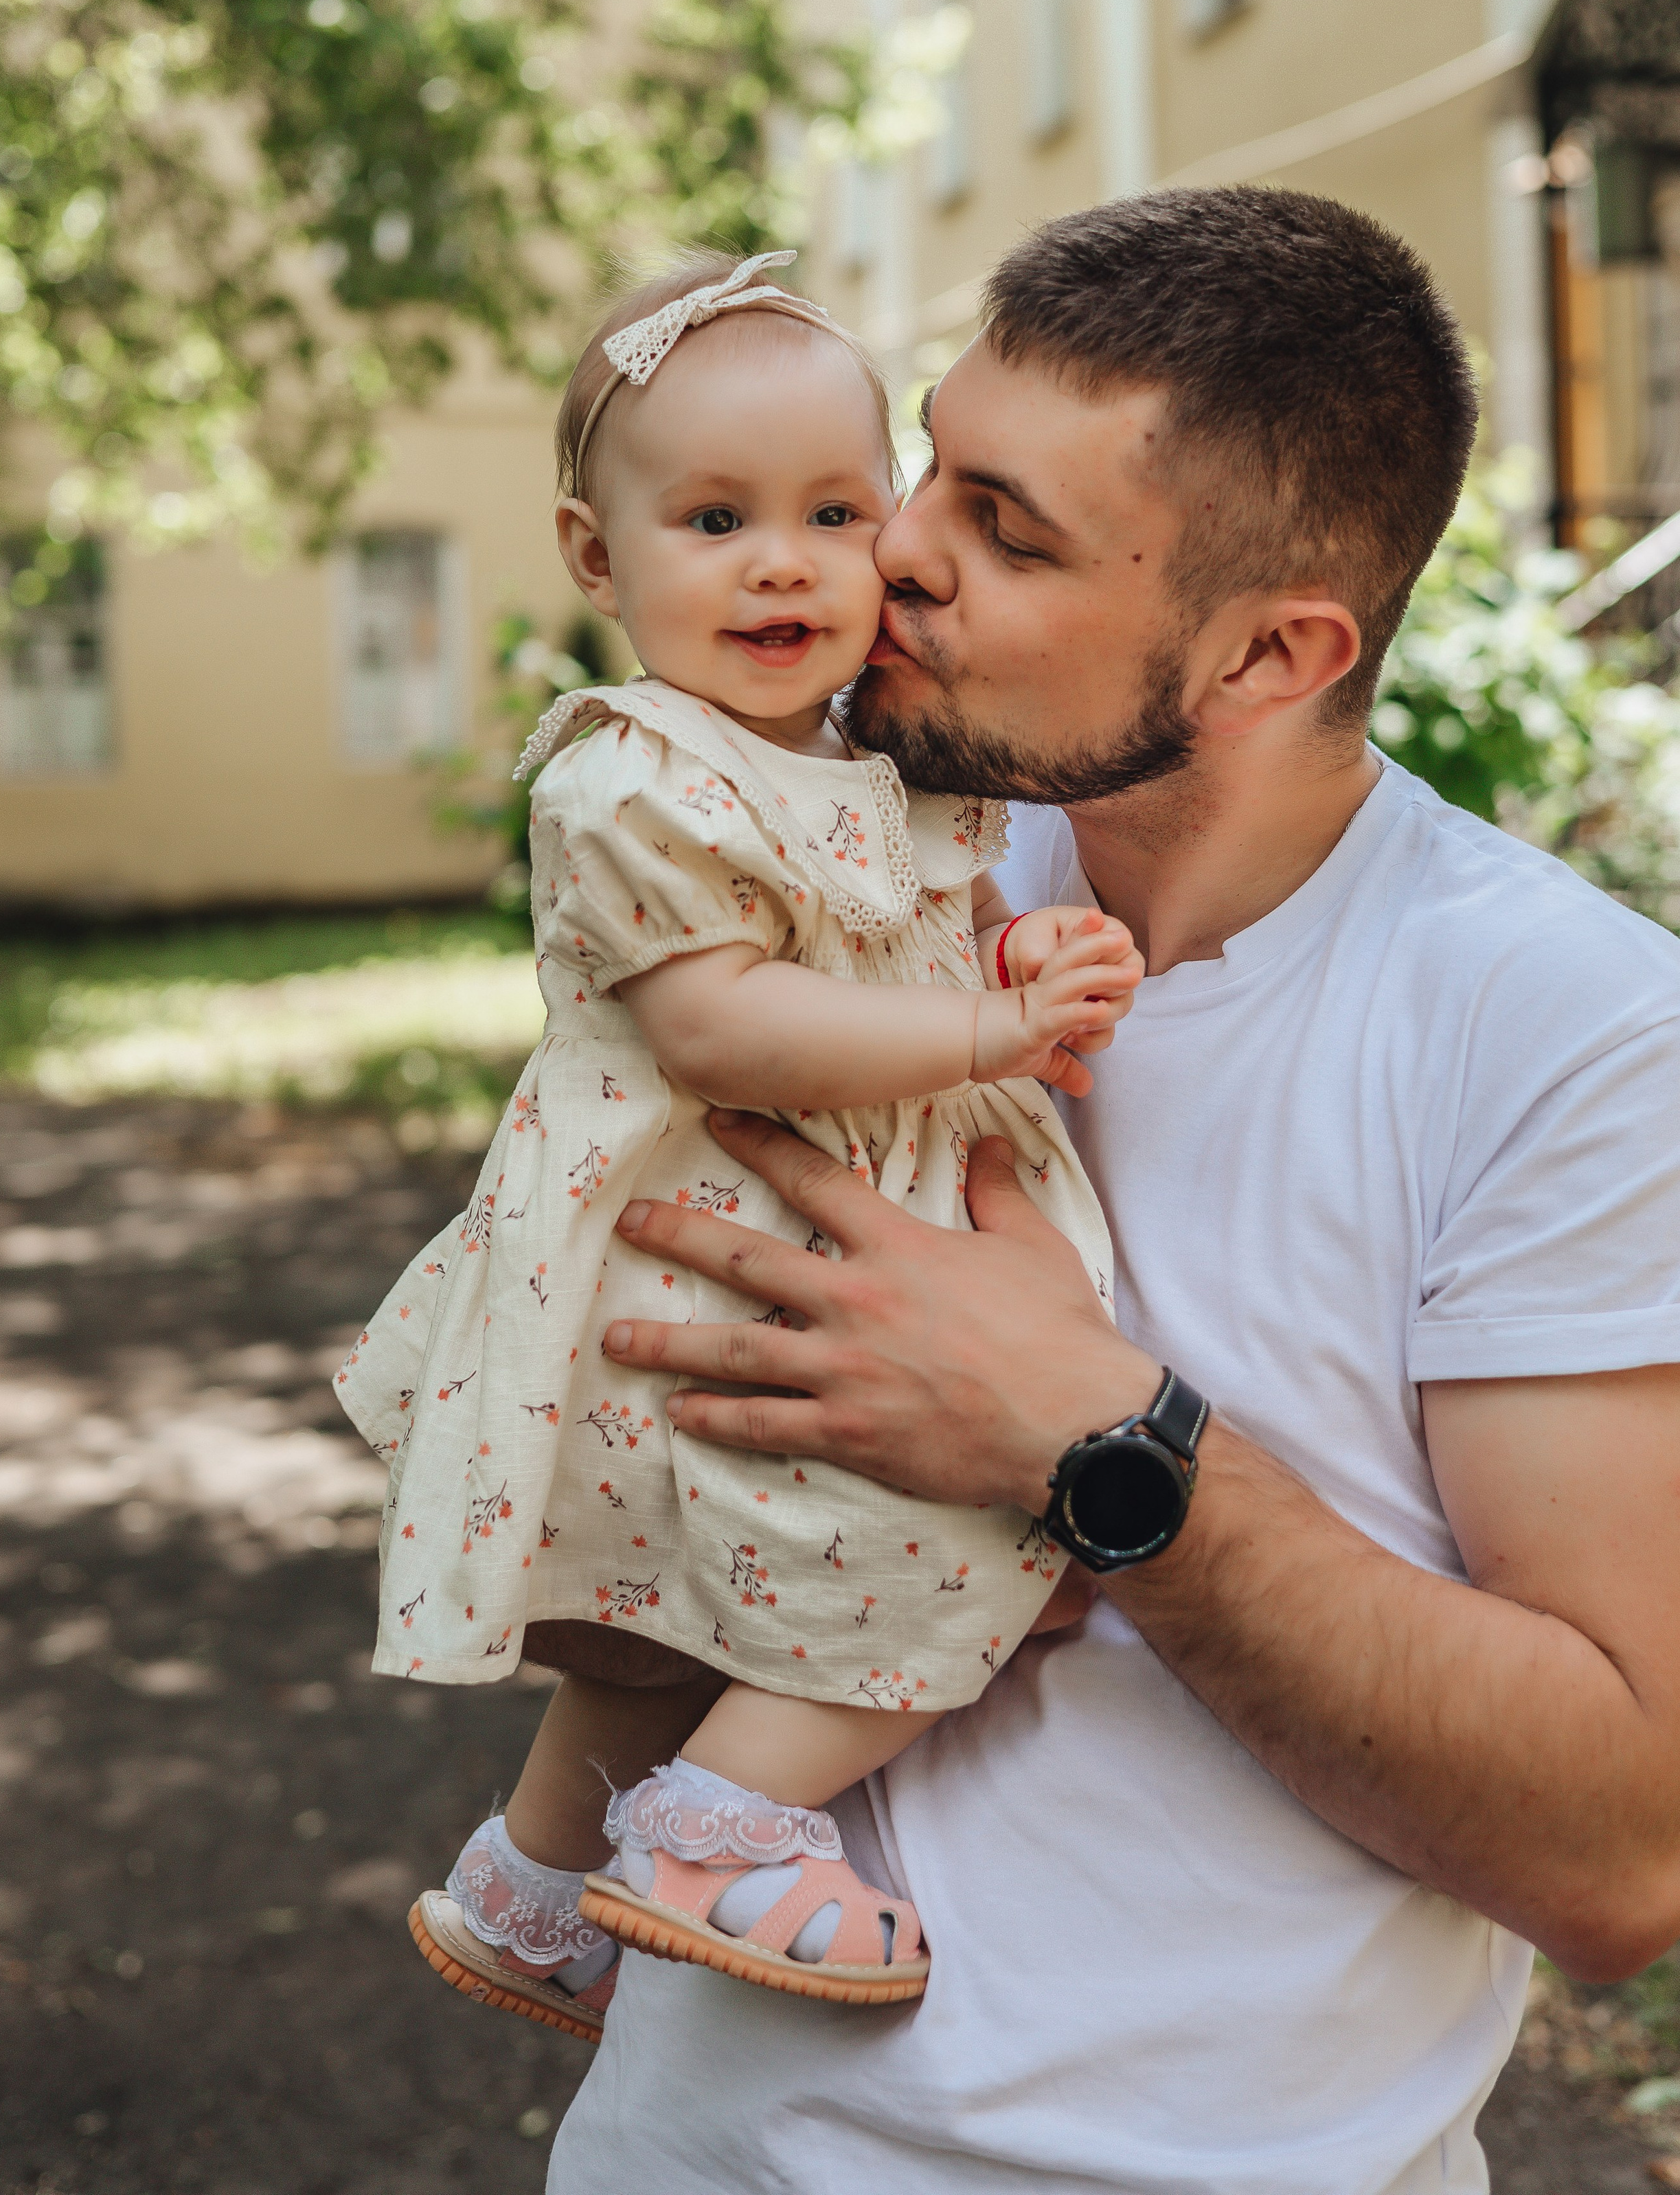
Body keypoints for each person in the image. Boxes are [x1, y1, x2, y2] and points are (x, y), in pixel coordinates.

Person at [550, 187, 1680, 2195]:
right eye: (929, 463)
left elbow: (1622, 1854)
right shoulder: (843, 885)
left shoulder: (1565, 1031)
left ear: (1273, 653)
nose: (893, 547)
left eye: (1009, 527)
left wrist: (1098, 1441)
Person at [332, 250, 1140, 2040]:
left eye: (835, 512)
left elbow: (890, 937)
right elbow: (726, 1025)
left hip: (819, 1227)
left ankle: (536, 1888)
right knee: (954, 1515)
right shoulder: (627, 773)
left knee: (677, 1610)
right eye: (715, 517)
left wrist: (1014, 959)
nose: (784, 560)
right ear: (596, 557)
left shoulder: (887, 758)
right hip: (708, 1245)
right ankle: (722, 1831)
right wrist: (991, 1034)